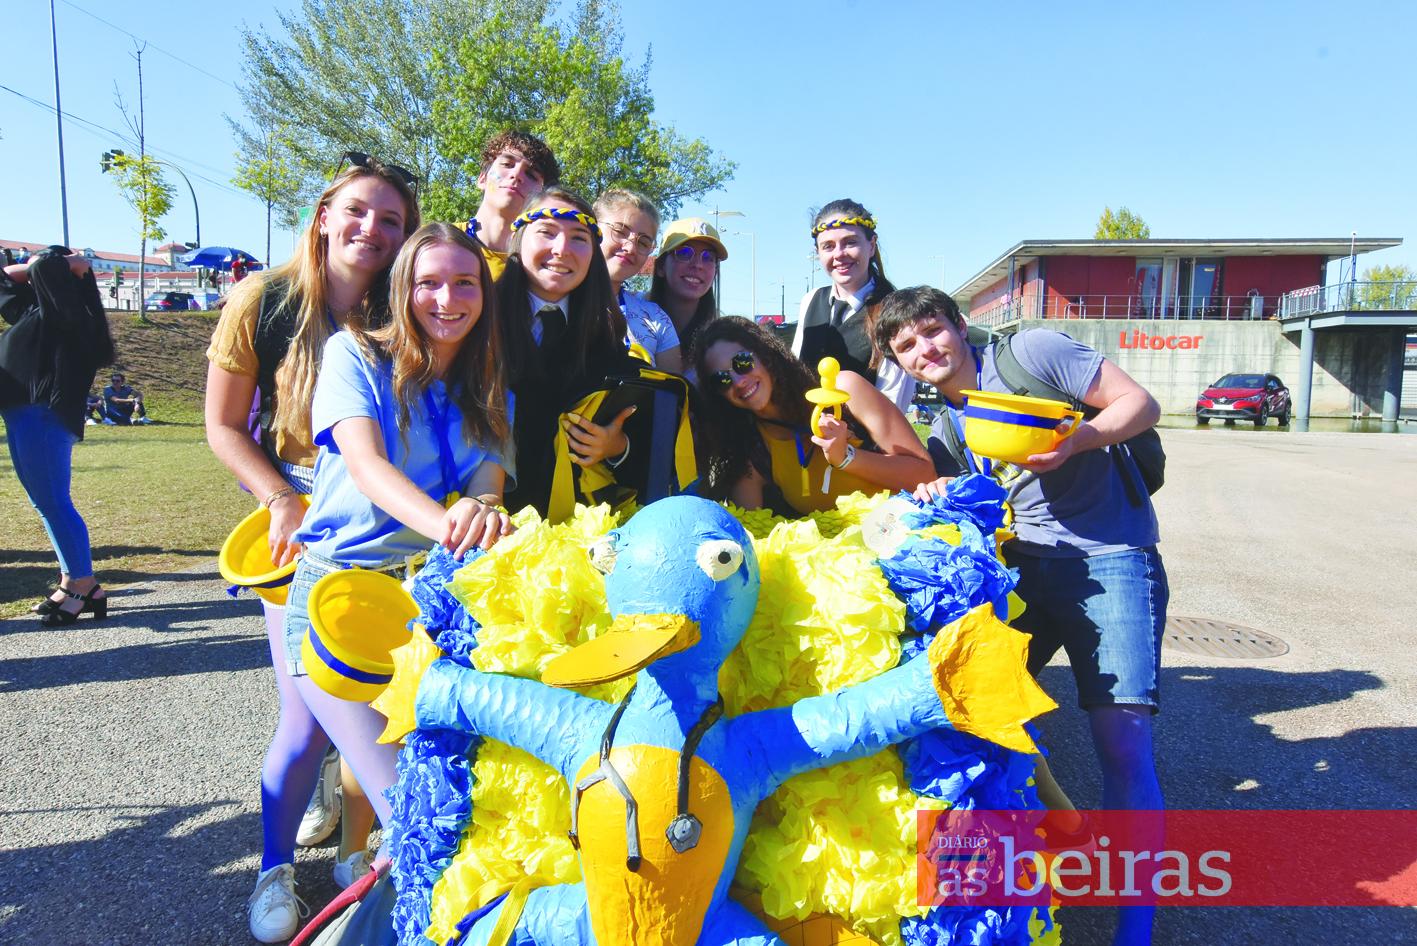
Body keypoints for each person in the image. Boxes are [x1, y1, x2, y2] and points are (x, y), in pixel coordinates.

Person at [875, 287, 1166, 946]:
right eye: (907, 346)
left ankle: (1134, 931)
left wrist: (1079, 438)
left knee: (1122, 744)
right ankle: (1020, 866)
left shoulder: (1029, 352)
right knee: (974, 714)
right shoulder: (947, 425)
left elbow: (1139, 404)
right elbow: (973, 500)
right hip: (1022, 572)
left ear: (959, 325)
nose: (925, 349)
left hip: (1110, 559)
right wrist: (938, 489)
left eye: (932, 330)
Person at [203, 153, 419, 943]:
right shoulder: (264, 299)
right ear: (325, 214)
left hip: (390, 517)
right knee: (307, 717)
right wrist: (278, 497)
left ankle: (370, 860)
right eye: (357, 210)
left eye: (390, 219)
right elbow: (224, 425)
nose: (371, 229)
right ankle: (273, 870)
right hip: (300, 517)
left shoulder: (405, 305)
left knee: (389, 708)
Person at [281, 220, 514, 927]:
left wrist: (481, 507)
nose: (447, 298)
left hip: (433, 606)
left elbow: (488, 482)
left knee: (452, 797)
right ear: (402, 289)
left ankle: (369, 887)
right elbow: (367, 467)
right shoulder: (352, 353)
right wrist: (451, 524)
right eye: (428, 282)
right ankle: (285, 875)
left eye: (464, 283)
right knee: (416, 814)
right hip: (343, 599)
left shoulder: (488, 383)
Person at [497, 188, 664, 519]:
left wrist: (616, 447)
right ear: (519, 239)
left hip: (578, 528)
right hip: (482, 519)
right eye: (547, 232)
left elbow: (651, 455)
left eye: (578, 238)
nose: (561, 249)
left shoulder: (607, 340)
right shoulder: (480, 323)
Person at [692, 316, 933, 516]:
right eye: (721, 379)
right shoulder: (752, 453)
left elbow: (925, 474)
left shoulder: (844, 391)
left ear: (764, 354)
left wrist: (846, 457)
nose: (738, 381)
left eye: (742, 362)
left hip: (902, 541)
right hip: (842, 557)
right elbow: (751, 534)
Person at [0, 246, 115, 625]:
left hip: (43, 415)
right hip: (22, 415)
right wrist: (42, 266)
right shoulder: (34, 312)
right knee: (45, 503)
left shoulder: (71, 315)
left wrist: (62, 264)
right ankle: (76, 582)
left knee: (54, 503)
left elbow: (63, 268)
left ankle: (82, 583)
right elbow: (4, 281)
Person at [792, 199, 915, 414]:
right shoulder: (810, 300)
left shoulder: (897, 312)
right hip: (805, 430)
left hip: (863, 435)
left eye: (850, 242)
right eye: (828, 246)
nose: (839, 254)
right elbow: (794, 372)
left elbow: (891, 408)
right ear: (818, 253)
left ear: (872, 245)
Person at [593, 189, 682, 373]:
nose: (631, 248)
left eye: (643, 242)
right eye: (620, 231)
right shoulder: (556, 298)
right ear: (593, 228)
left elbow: (673, 388)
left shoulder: (655, 317)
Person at [465, 130, 559, 280]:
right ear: (482, 179)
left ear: (543, 198)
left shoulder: (545, 268)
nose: (517, 175)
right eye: (507, 164)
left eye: (531, 175)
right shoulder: (436, 242)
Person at [647, 217, 727, 371]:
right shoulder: (629, 314)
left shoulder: (722, 338)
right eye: (684, 253)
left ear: (715, 272)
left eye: (708, 257)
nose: (697, 265)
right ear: (661, 267)